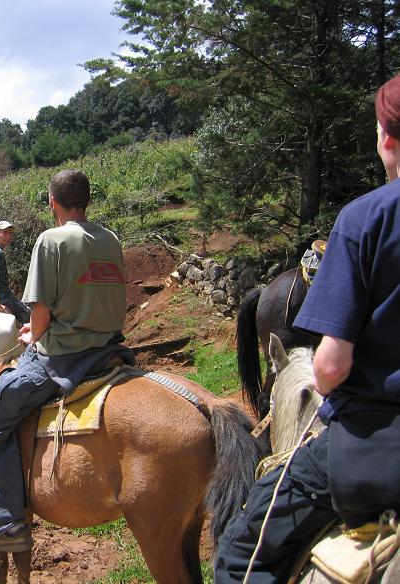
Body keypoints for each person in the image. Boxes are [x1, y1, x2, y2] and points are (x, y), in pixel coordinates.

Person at [214, 76, 400, 582]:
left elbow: (331, 366)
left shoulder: (367, 218)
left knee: (238, 552)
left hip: (374, 445)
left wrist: (322, 376)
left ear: (386, 137)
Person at [0, 169, 133, 553]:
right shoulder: (111, 239)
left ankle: (6, 525)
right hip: (109, 348)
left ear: (52, 203)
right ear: (88, 200)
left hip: (64, 356)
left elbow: (39, 311)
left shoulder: (51, 240)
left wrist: (32, 333)